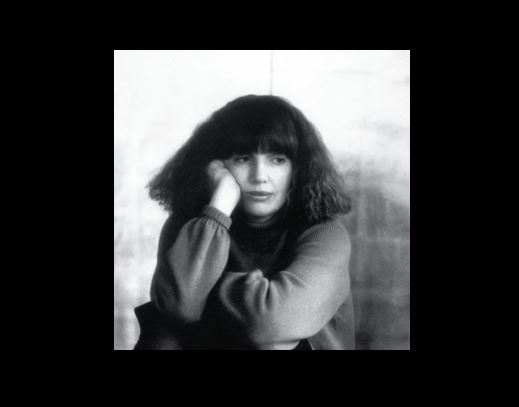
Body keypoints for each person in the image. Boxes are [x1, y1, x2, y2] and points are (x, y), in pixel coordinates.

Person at [133, 94, 355, 350]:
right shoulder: (190, 226)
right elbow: (178, 307)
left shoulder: (326, 234)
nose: (259, 176)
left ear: (297, 169)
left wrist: (205, 293)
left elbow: (271, 325)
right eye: (242, 159)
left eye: (277, 160)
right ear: (216, 166)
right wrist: (219, 206)